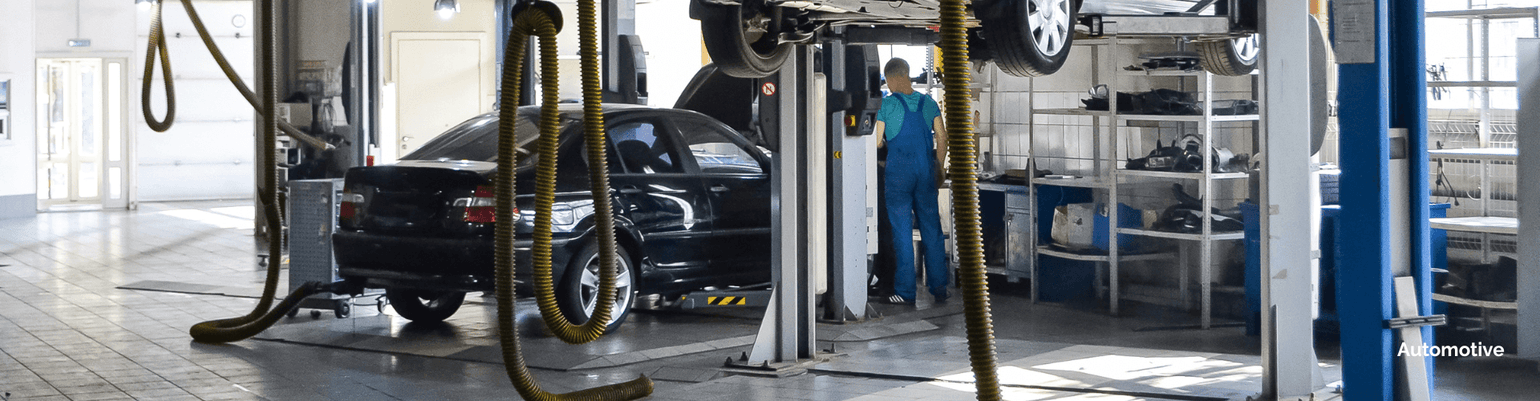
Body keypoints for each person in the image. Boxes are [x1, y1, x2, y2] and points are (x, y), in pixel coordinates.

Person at [873, 58, 949, 305]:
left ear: (892, 79)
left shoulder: (887, 105)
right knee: (932, 231)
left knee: (902, 232)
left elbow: (876, 142)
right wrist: (938, 167)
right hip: (925, 172)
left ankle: (906, 292)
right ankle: (939, 288)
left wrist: (884, 144)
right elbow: (942, 137)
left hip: (899, 175)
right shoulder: (929, 103)